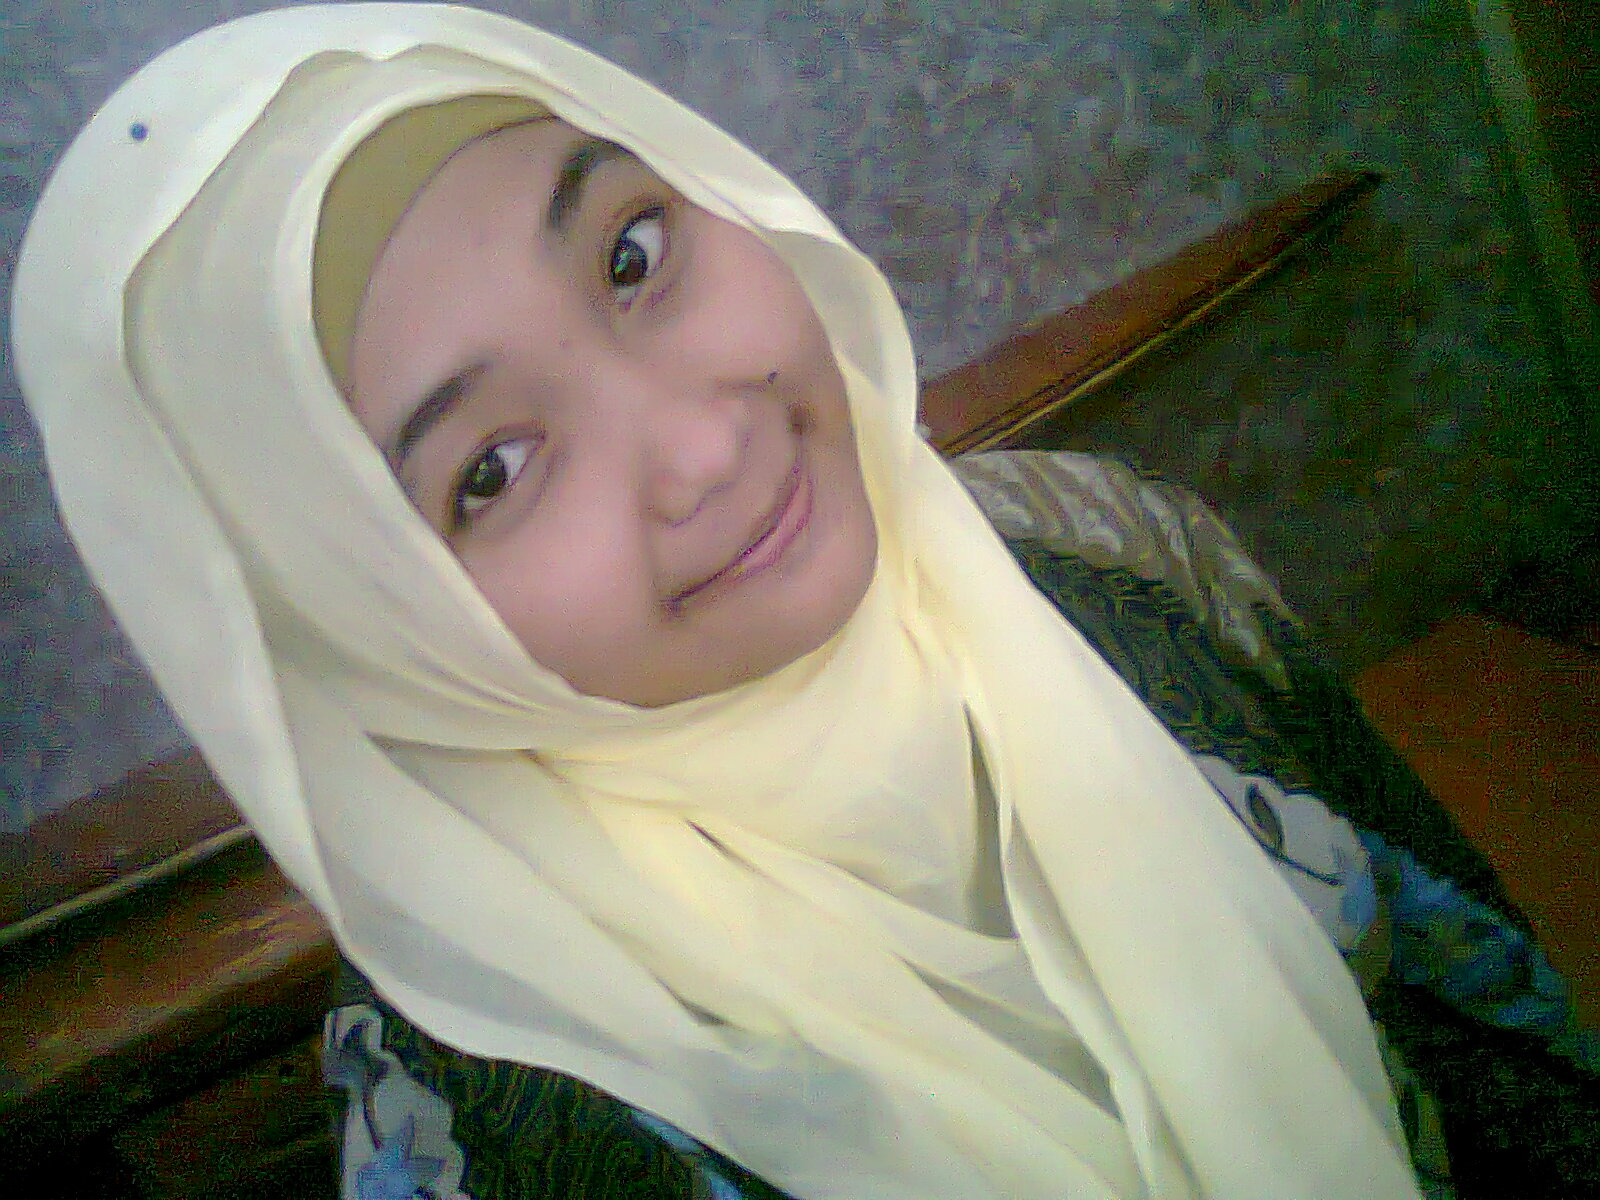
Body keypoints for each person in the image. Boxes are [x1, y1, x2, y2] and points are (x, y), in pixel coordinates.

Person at [12, 6, 1596, 1198]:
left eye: (634, 253)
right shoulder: (483, 1106)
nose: (705, 445)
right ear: (370, 626)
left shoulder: (1105, 557)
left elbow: (1498, 1045)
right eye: (490, 471)